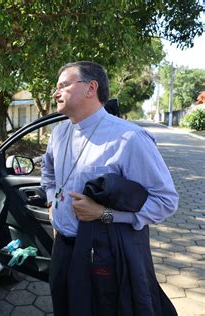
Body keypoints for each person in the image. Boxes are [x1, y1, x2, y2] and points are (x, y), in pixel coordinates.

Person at [41, 61, 179, 316]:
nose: (56, 92)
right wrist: (52, 202)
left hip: (103, 252)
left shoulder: (129, 138)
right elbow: (48, 171)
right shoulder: (58, 133)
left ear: (90, 88)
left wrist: (104, 214)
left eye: (64, 85)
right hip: (62, 248)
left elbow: (166, 201)